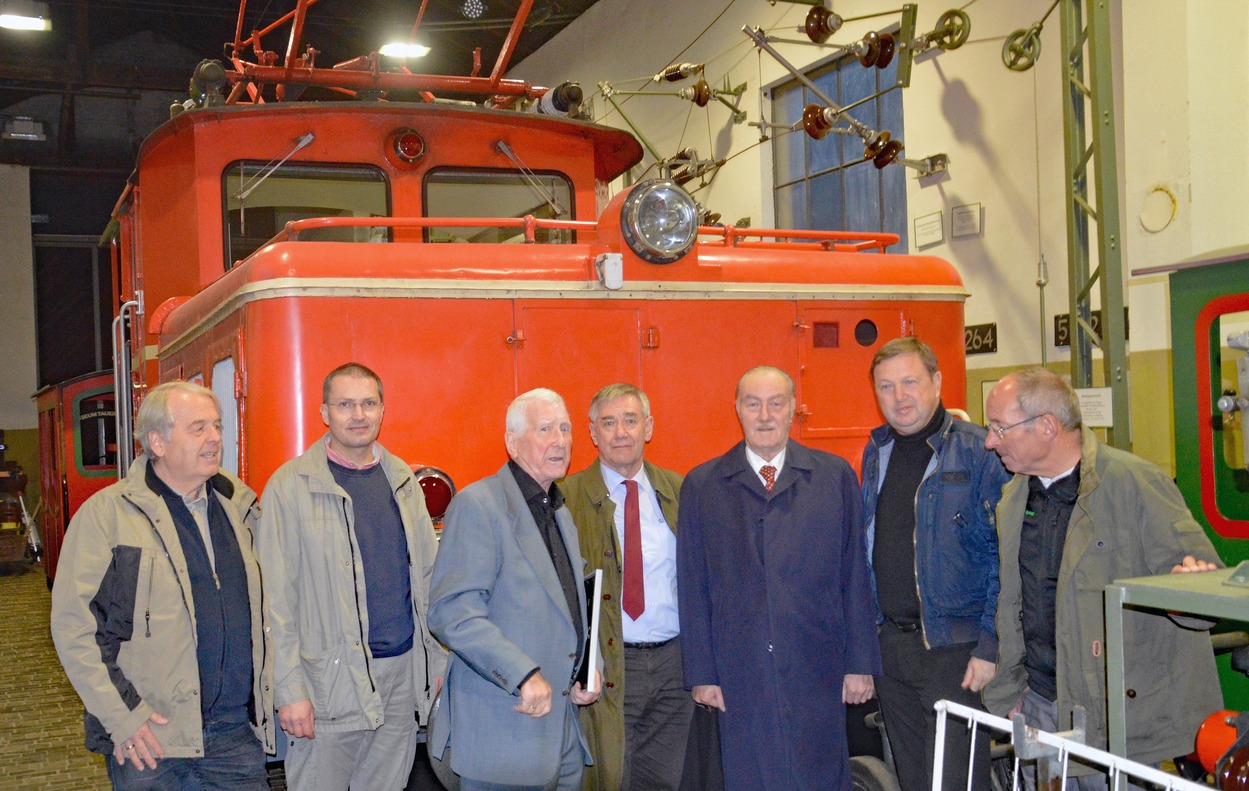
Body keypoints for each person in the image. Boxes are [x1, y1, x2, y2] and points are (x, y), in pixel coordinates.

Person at [982, 367, 1222, 788]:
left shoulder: (1136, 485)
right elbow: (1015, 605)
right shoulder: (1014, 498)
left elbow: (1206, 593)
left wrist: (1186, 587)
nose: (989, 441)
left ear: (1047, 427)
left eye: (1000, 428)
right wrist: (1014, 692)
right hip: (1040, 706)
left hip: (1118, 722)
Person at [51, 381, 275, 789]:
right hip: (151, 739)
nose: (214, 439)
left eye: (217, 427)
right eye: (198, 428)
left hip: (233, 737)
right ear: (157, 441)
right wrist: (121, 717)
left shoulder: (239, 509)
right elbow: (74, 628)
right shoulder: (107, 517)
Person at [678, 365, 881, 790]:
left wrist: (860, 663)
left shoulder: (834, 476)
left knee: (820, 774)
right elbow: (693, 586)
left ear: (793, 410)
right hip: (739, 670)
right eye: (753, 404)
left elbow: (855, 576)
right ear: (738, 410)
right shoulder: (703, 485)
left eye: (776, 403)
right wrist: (702, 671)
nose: (765, 415)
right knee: (750, 776)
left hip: (818, 666)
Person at [256, 362, 446, 791]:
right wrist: (288, 691)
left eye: (368, 403)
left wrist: (435, 660)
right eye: (345, 405)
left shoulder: (401, 480)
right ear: (324, 412)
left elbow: (429, 580)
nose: (358, 415)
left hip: (399, 677)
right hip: (326, 685)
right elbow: (274, 602)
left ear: (382, 410)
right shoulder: (289, 487)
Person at [427, 388, 601, 790]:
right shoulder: (480, 505)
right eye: (545, 429)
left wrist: (590, 669)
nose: (560, 440)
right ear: (512, 441)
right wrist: (523, 674)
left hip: (562, 736)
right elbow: (453, 611)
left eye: (565, 428)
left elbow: (570, 605)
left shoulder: (557, 511)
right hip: (506, 733)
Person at [861, 337, 1010, 791]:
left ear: (937, 381)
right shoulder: (876, 452)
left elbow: (1004, 556)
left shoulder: (979, 450)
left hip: (954, 651)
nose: (899, 397)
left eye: (910, 382)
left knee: (958, 781)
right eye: (886, 387)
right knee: (914, 778)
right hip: (891, 648)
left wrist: (989, 645)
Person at [562, 383, 692, 791]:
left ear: (649, 427)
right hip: (608, 666)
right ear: (593, 433)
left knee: (664, 782)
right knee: (606, 779)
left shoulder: (682, 491)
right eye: (609, 422)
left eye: (630, 421)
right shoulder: (565, 499)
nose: (620, 432)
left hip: (675, 669)